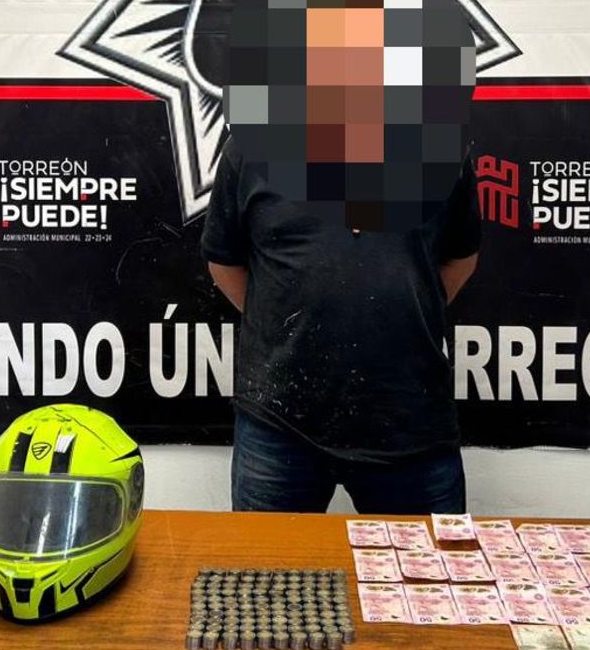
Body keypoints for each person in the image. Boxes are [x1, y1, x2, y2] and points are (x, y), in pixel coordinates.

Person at [201, 135, 480, 514]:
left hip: (410, 420)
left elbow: (461, 258)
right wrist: (283, 320)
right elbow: (224, 261)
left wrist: (403, 311)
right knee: (266, 556)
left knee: (431, 556)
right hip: (280, 427)